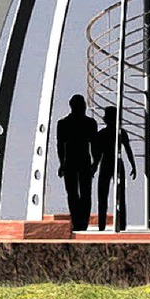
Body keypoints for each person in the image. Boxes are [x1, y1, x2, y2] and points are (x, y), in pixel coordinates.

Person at [56, 94, 98, 231]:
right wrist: (95, 163)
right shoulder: (87, 123)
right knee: (79, 194)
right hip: (78, 161)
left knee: (77, 194)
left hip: (75, 161)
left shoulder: (65, 123)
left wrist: (95, 163)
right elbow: (60, 145)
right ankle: (80, 222)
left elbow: (60, 146)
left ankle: (79, 222)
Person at [92, 106, 136, 232]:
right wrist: (133, 165)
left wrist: (133, 165)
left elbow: (98, 155)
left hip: (109, 163)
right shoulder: (118, 132)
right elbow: (127, 150)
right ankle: (117, 225)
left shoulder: (106, 133)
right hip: (114, 162)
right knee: (112, 196)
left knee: (105, 196)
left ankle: (105, 225)